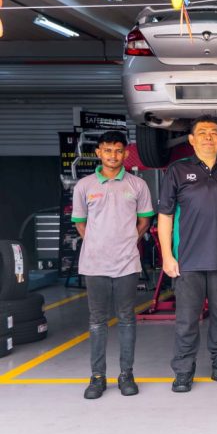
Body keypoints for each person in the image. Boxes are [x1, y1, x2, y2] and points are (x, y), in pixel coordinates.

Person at [157, 115, 217, 393]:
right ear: (192, 140)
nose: (209, 137)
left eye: (214, 132)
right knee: (186, 321)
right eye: (203, 132)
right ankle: (184, 371)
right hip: (188, 261)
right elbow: (165, 216)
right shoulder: (177, 171)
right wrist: (167, 256)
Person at [71, 130, 154, 399]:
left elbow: (145, 220)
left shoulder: (137, 185)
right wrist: (96, 243)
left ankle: (126, 374)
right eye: (107, 150)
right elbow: (80, 222)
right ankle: (97, 377)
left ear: (126, 153)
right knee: (97, 321)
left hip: (127, 263)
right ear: (98, 153)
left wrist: (129, 240)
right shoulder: (84, 186)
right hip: (94, 264)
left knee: (127, 319)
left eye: (118, 150)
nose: (113, 155)